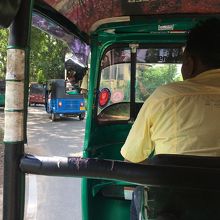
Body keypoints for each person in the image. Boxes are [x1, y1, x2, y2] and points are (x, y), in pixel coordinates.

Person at [120, 18, 220, 219]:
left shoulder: (165, 97)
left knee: (140, 191)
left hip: (171, 213)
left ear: (190, 63)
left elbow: (130, 162)